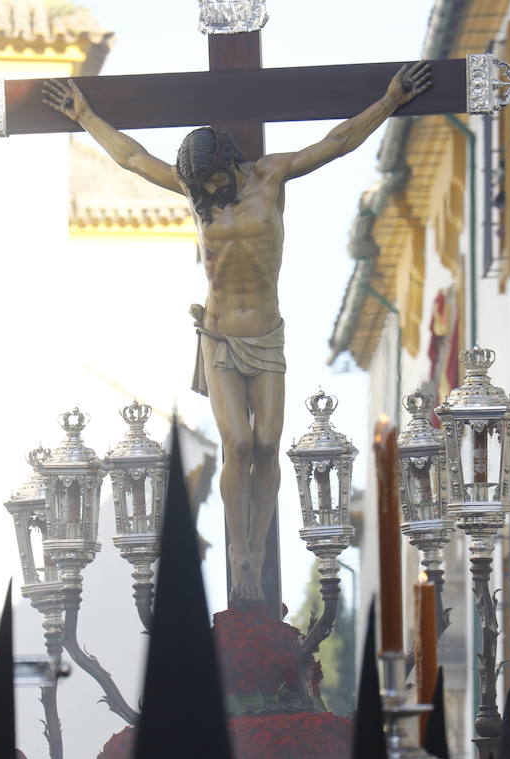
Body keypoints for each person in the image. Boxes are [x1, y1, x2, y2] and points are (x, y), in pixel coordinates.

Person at [42, 61, 431, 600]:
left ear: (231, 163)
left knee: (268, 444)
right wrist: (84, 114)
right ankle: (241, 555)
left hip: (266, 335)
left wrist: (388, 102)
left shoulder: (270, 176)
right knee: (238, 443)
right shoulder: (195, 190)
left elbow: (337, 141)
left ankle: (260, 541)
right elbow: (132, 158)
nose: (208, 193)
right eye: (200, 187)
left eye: (215, 181)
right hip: (220, 337)